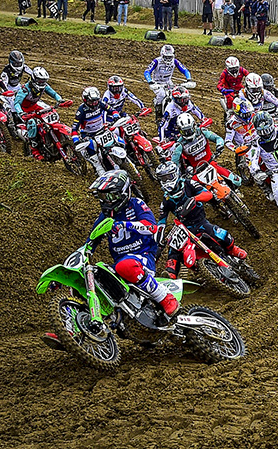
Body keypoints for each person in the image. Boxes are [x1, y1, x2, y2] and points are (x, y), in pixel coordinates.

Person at [86, 171, 178, 317]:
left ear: (123, 193)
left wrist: (125, 225)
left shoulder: (136, 204)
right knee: (98, 276)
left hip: (143, 256)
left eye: (111, 196)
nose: (106, 201)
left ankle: (165, 297)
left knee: (125, 266)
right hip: (120, 262)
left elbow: (151, 227)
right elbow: (91, 241)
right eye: (103, 196)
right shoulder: (104, 217)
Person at [156, 161, 248, 280]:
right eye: (163, 178)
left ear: (175, 174)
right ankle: (170, 274)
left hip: (200, 222)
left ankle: (233, 249)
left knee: (218, 233)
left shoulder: (189, 184)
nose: (166, 181)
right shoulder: (166, 200)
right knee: (173, 250)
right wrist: (158, 239)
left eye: (168, 177)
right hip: (185, 229)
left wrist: (195, 199)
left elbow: (208, 194)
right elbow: (161, 221)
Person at [169, 113, 240, 190]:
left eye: (189, 130)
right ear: (180, 131)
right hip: (196, 171)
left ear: (194, 126)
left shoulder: (202, 131)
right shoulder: (179, 144)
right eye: (184, 132)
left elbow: (218, 138)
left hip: (210, 163)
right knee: (189, 191)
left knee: (237, 181)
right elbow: (174, 163)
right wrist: (179, 174)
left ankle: (235, 191)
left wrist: (219, 146)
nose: (188, 133)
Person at [72, 87, 119, 176]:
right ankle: (99, 169)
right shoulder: (81, 111)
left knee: (116, 136)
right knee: (91, 146)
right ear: (85, 100)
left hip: (102, 130)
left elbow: (111, 109)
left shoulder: (100, 103)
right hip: (88, 134)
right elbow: (74, 128)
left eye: (96, 101)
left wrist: (115, 114)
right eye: (91, 102)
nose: (94, 104)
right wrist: (76, 140)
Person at [144, 44, 191, 120]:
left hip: (168, 82)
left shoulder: (175, 61)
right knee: (161, 95)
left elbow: (185, 70)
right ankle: (158, 114)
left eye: (170, 57)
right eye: (166, 57)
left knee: (177, 94)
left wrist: (189, 79)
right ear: (162, 55)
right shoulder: (156, 61)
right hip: (157, 82)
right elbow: (147, 71)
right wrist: (150, 81)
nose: (168, 59)